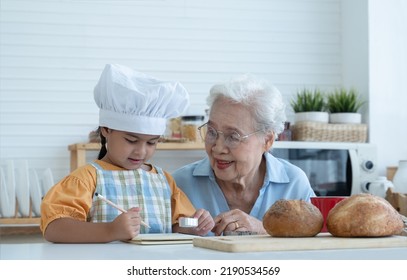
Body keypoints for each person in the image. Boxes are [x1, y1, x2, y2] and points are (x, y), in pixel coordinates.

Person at [40, 64, 214, 243]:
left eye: (151, 142)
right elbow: (54, 227)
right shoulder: (87, 179)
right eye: (131, 140)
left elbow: (176, 225)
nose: (141, 151)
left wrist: (193, 226)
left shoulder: (164, 181)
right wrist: (109, 230)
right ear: (106, 129)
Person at [172, 74, 315, 236]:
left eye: (233, 136)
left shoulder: (294, 184)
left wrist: (264, 231)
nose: (218, 148)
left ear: (267, 140)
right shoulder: (179, 184)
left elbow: (317, 244)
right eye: (211, 132)